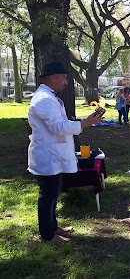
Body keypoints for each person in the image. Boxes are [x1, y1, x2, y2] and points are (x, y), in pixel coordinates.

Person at [28, 61, 102, 244]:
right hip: (47, 155)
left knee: (53, 192)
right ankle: (47, 235)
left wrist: (86, 122)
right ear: (53, 78)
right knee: (48, 195)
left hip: (52, 155)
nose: (66, 82)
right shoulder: (44, 99)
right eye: (64, 78)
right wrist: (85, 123)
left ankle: (53, 227)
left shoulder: (48, 96)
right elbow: (58, 127)